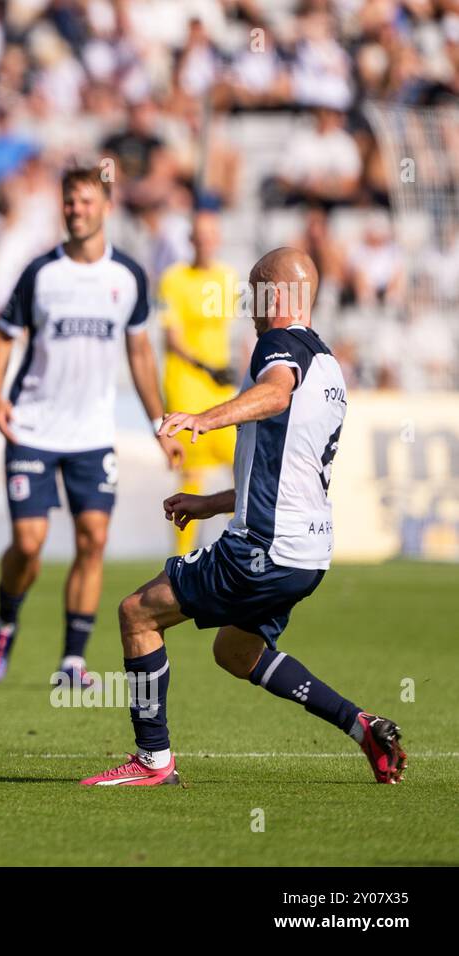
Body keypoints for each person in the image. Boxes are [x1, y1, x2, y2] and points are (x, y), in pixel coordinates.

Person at [80, 248, 406, 787]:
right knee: (236, 651)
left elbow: (274, 395)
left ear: (275, 296)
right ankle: (360, 725)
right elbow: (283, 473)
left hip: (263, 548)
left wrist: (204, 420)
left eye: (254, 291)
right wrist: (207, 504)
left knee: (137, 614)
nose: (247, 304)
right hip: (308, 555)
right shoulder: (327, 364)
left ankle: (152, 761)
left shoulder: (276, 347)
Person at [0, 165, 182, 689]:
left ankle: (72, 661)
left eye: (86, 201)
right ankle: (6, 621)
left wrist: (159, 422)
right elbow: (5, 335)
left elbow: (140, 352)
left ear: (106, 207)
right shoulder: (41, 273)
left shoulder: (128, 277)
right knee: (29, 542)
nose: (76, 210)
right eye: (69, 202)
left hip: (92, 434)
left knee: (93, 539)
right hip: (33, 427)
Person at [157, 200, 239, 552]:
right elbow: (171, 338)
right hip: (187, 387)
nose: (204, 242)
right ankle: (183, 556)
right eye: (199, 236)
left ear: (217, 239)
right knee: (191, 474)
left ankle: (243, 542)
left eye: (210, 236)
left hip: (220, 390)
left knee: (243, 464)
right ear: (190, 239)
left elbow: (236, 332)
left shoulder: (228, 278)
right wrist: (207, 366)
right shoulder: (173, 279)